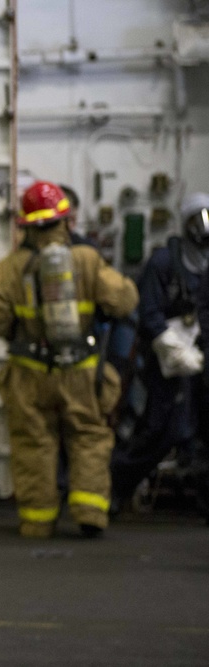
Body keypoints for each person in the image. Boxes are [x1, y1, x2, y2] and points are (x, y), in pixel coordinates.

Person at [0, 181, 138, 538]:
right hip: (80, 372)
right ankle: (90, 514)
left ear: (26, 225)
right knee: (89, 438)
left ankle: (38, 521)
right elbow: (125, 301)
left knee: (34, 443)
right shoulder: (87, 259)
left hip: (29, 374)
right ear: (65, 221)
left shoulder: (10, 268)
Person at [111, 192, 209, 512]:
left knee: (199, 432)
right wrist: (171, 346)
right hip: (168, 361)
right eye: (198, 219)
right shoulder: (164, 262)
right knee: (161, 430)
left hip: (201, 359)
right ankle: (114, 486)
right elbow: (148, 310)